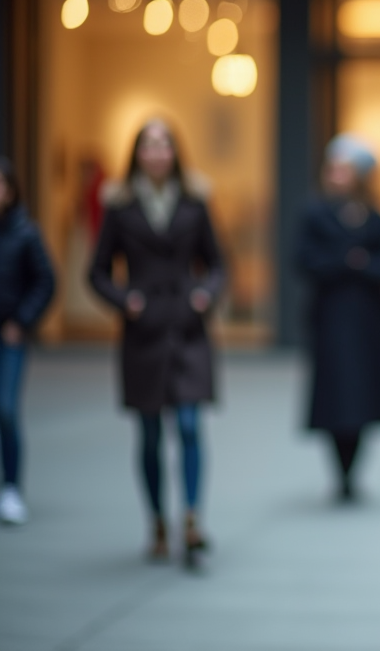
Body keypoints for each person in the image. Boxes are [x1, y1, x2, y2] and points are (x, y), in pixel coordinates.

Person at [89, 119, 224, 567]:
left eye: (165, 144)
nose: (157, 152)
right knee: (149, 433)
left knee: (188, 425)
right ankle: (156, 521)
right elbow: (97, 271)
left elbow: (219, 263)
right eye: (149, 145)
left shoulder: (194, 201)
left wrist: (206, 294)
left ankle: (191, 520)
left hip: (187, 328)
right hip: (144, 332)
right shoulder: (120, 205)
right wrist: (124, 300)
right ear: (137, 154)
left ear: (175, 152)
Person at [297, 135, 380, 503]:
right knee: (334, 397)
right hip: (329, 318)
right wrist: (346, 262)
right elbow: (304, 260)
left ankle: (352, 472)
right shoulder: (315, 213)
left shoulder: (375, 215)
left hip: (367, 322)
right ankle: (339, 472)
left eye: (345, 169)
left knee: (362, 397)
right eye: (333, 169)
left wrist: (363, 265)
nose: (338, 176)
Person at [0, 157, 55, 526]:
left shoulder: (26, 233)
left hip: (10, 337)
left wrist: (22, 320)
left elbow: (46, 281)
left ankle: (12, 487)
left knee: (6, 408)